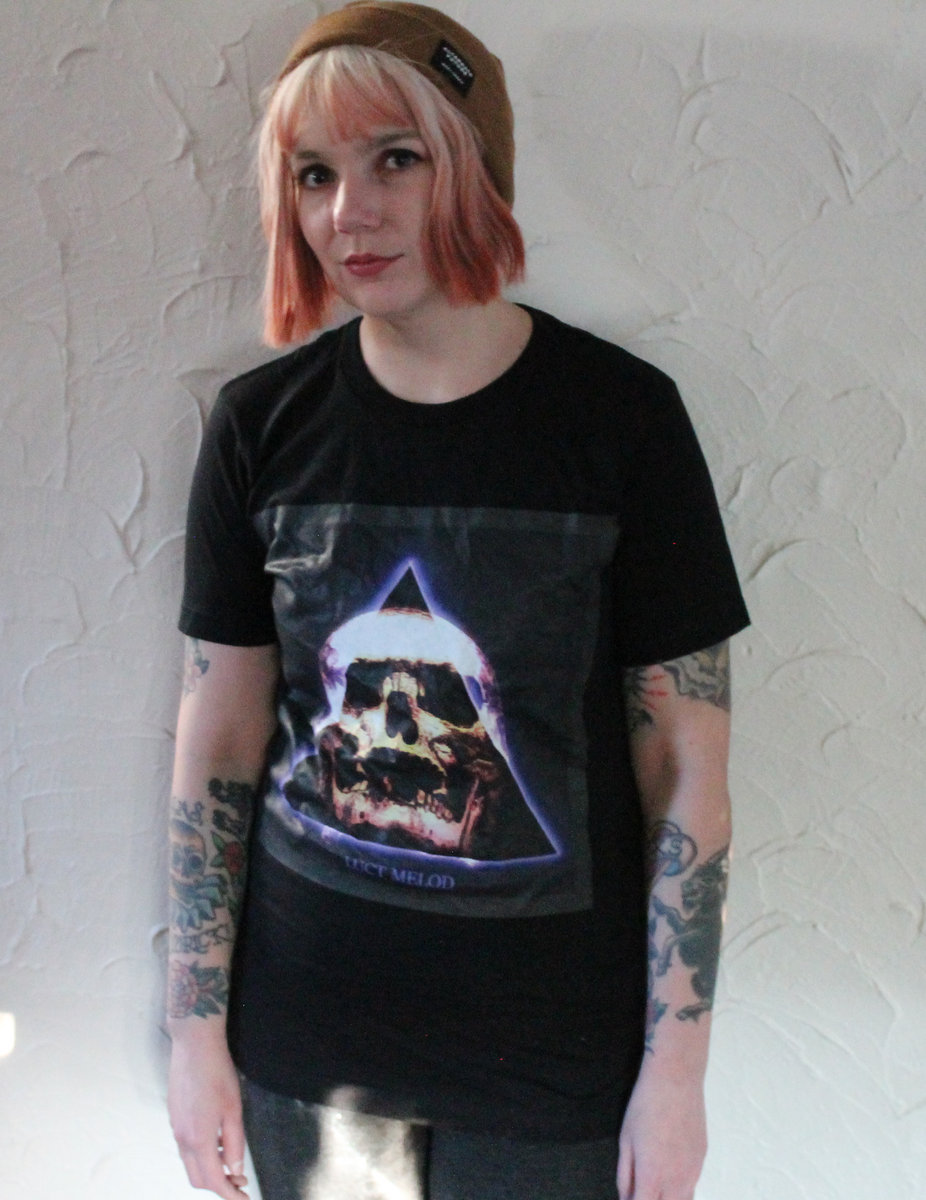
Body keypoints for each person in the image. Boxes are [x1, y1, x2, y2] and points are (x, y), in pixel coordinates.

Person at [165, 4, 749, 1198]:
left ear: (473, 167)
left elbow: (682, 768)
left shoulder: (622, 422)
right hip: (306, 1049)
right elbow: (217, 745)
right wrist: (193, 1032)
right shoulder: (260, 428)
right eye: (313, 173)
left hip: (554, 1063)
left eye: (396, 158)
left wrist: (677, 1073)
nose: (348, 212)